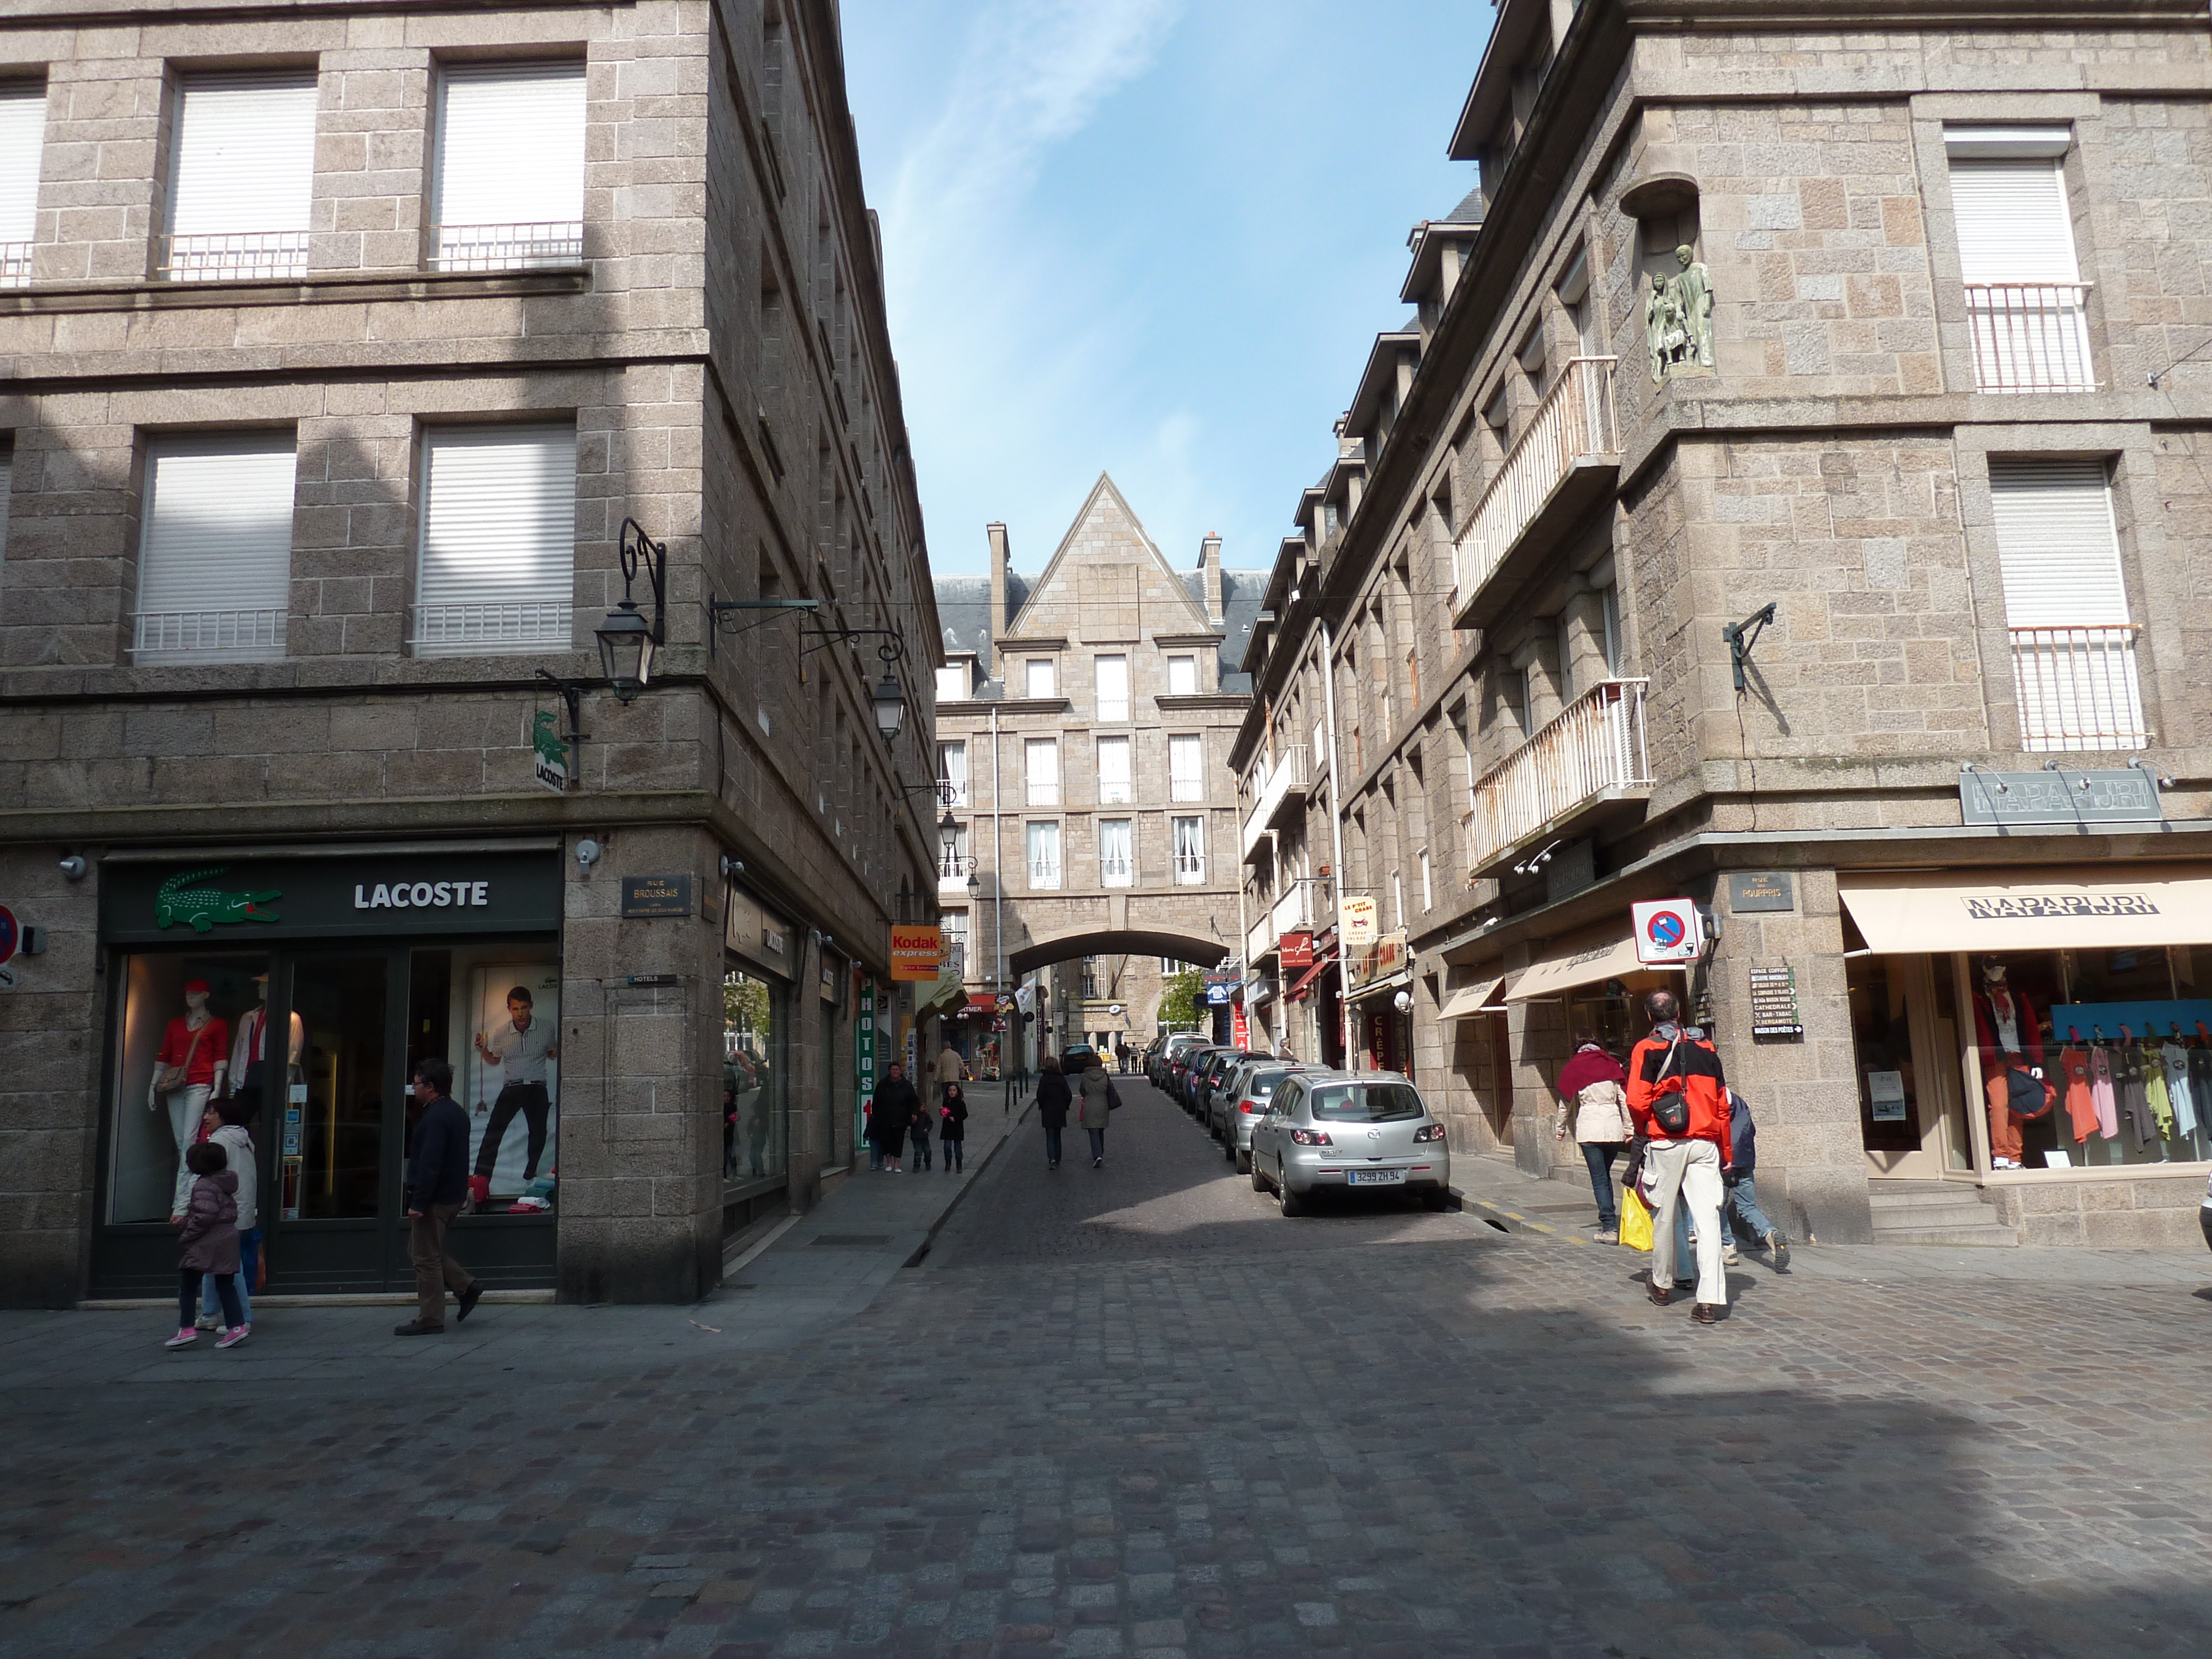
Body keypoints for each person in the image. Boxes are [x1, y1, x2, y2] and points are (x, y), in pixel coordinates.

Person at [1626, 990, 1732, 1324]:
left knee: (1664, 1215)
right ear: (1677, 1013)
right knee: (1708, 1221)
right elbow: (1722, 1104)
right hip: (1705, 1141)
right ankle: (1709, 1300)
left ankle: (1662, 1284)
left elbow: (1636, 1100)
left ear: (1649, 1017)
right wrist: (1726, 1150)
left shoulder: (1647, 1048)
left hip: (1666, 1140)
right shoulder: (1707, 1047)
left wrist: (1647, 1128)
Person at [395, 1057, 483, 1337]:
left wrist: (419, 1202)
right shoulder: (455, 1112)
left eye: (417, 1083)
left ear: (430, 1087)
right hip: (451, 1195)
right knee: (421, 1251)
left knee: (425, 1257)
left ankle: (431, 1317)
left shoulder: (435, 1118)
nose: (413, 1087)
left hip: (435, 1199)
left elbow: (431, 1163)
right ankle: (466, 1286)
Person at [471, 985, 558, 1205]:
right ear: (509, 1009)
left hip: (537, 1085)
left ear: (531, 1007)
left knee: (538, 1131)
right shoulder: (501, 1033)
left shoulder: (546, 1028)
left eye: (524, 1008)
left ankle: (531, 1172)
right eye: (516, 1009)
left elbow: (552, 1054)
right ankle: (481, 1179)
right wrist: (483, 1049)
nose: (520, 1013)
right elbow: (494, 1061)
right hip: (512, 1086)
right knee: (493, 1132)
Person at [166, 1140, 249, 1349]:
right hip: (228, 1237)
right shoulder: (226, 1182)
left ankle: (186, 1329)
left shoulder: (204, 1184)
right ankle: (236, 1327)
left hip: (207, 1241)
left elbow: (205, 1216)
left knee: (188, 1285)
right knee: (225, 1284)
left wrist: (186, 1231)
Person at [1554, 1034, 1631, 1244]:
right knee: (1604, 1175)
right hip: (1613, 1127)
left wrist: (1560, 1128)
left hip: (1589, 1128)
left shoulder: (1575, 1067)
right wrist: (1629, 1128)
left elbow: (1565, 1103)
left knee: (1599, 1178)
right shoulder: (1612, 1064)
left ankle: (1609, 1226)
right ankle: (1612, 1219)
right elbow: (1623, 1099)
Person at [196, 1098, 260, 1332]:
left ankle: (242, 1319)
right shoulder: (244, 1139)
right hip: (242, 1211)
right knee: (217, 1264)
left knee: (230, 1267)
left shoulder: (222, 1140)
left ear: (223, 1116)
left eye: (211, 1113)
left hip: (226, 1213)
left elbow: (207, 1174)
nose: (206, 1117)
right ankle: (209, 1313)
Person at [870, 1062, 920, 1173]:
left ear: (900, 1072)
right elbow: (876, 1101)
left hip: (901, 1118)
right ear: (890, 1071)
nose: (895, 1071)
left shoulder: (907, 1085)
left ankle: (897, 1164)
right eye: (893, 1069)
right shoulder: (882, 1084)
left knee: (898, 1141)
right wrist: (876, 1114)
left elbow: (914, 1101)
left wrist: (914, 1113)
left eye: (897, 1069)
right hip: (885, 1118)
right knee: (886, 1141)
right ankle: (889, 1163)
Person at [1077, 1055, 1114, 1168]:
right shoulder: (1105, 1076)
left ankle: (1097, 1155)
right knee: (1100, 1129)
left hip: (1089, 1104)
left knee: (1093, 1131)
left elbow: (1082, 1090)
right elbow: (1109, 1089)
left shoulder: (1085, 1077)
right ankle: (1100, 1152)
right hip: (1103, 1104)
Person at [1035, 1055, 1072, 1169]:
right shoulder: (1061, 1079)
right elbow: (1068, 1095)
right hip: (1060, 1110)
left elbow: (1040, 1095)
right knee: (1057, 1135)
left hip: (1047, 1110)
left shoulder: (1044, 1079)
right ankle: (1058, 1158)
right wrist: (1066, 1106)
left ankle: (1052, 1159)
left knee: (1050, 1136)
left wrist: (1042, 1105)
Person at [940, 1082, 969, 1173]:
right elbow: (945, 1112)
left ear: (957, 1092)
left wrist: (956, 1118)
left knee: (958, 1148)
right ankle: (948, 1163)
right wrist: (942, 1111)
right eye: (950, 1091)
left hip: (957, 1128)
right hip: (947, 1127)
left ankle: (959, 1164)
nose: (952, 1092)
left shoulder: (960, 1103)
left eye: (954, 1090)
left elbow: (965, 1114)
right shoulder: (946, 1101)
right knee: (947, 1147)